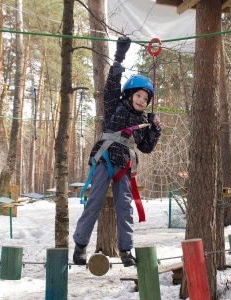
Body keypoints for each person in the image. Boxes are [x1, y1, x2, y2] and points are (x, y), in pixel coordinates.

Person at [73, 37, 162, 267]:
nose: (142, 100)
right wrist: (119, 57)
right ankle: (80, 246)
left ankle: (125, 250)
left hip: (124, 167)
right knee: (94, 202)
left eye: (146, 98)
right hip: (104, 160)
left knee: (125, 209)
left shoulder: (144, 121)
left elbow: (146, 148)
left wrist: (155, 129)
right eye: (139, 95)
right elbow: (111, 85)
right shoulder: (115, 106)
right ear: (130, 95)